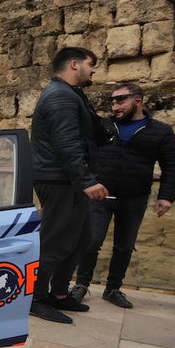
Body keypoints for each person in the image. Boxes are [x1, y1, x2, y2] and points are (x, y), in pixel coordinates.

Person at [70, 84, 175, 309]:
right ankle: (81, 284)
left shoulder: (161, 131)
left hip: (135, 197)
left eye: (120, 100)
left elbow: (172, 165)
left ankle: (113, 289)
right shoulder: (103, 126)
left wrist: (166, 197)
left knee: (125, 246)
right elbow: (82, 153)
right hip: (99, 195)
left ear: (138, 100)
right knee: (91, 241)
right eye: (112, 101)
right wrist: (87, 183)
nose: (115, 106)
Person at [29, 47, 109, 324]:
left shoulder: (71, 93)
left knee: (78, 240)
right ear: (74, 64)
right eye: (91, 64)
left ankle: (60, 293)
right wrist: (86, 180)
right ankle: (37, 299)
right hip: (59, 180)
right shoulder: (60, 96)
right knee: (54, 241)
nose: (94, 69)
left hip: (68, 180)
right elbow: (67, 143)